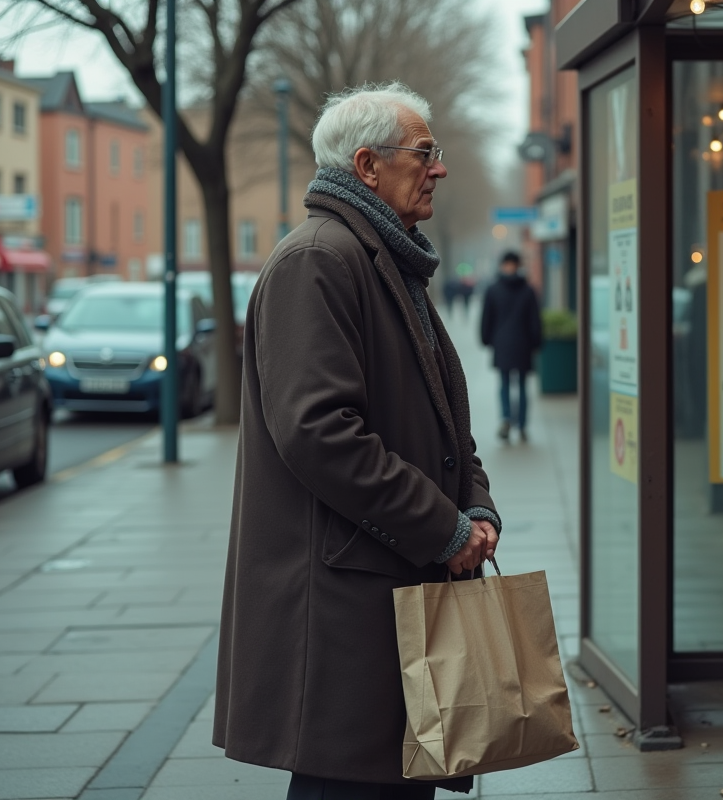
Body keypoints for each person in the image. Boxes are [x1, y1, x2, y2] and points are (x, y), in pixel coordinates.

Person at [213, 82, 502, 800]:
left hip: (387, 590)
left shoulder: (384, 260)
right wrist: (444, 528)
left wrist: (479, 507)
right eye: (424, 153)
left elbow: (444, 421)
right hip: (346, 607)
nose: (438, 168)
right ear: (368, 166)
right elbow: (319, 433)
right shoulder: (318, 259)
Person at [480, 251, 543, 442]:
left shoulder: (493, 289)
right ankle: (522, 424)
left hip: (502, 344)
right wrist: (537, 342)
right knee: (522, 385)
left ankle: (507, 418)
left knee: (505, 383)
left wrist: (486, 339)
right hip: (523, 344)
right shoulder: (528, 290)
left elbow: (486, 319)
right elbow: (535, 320)